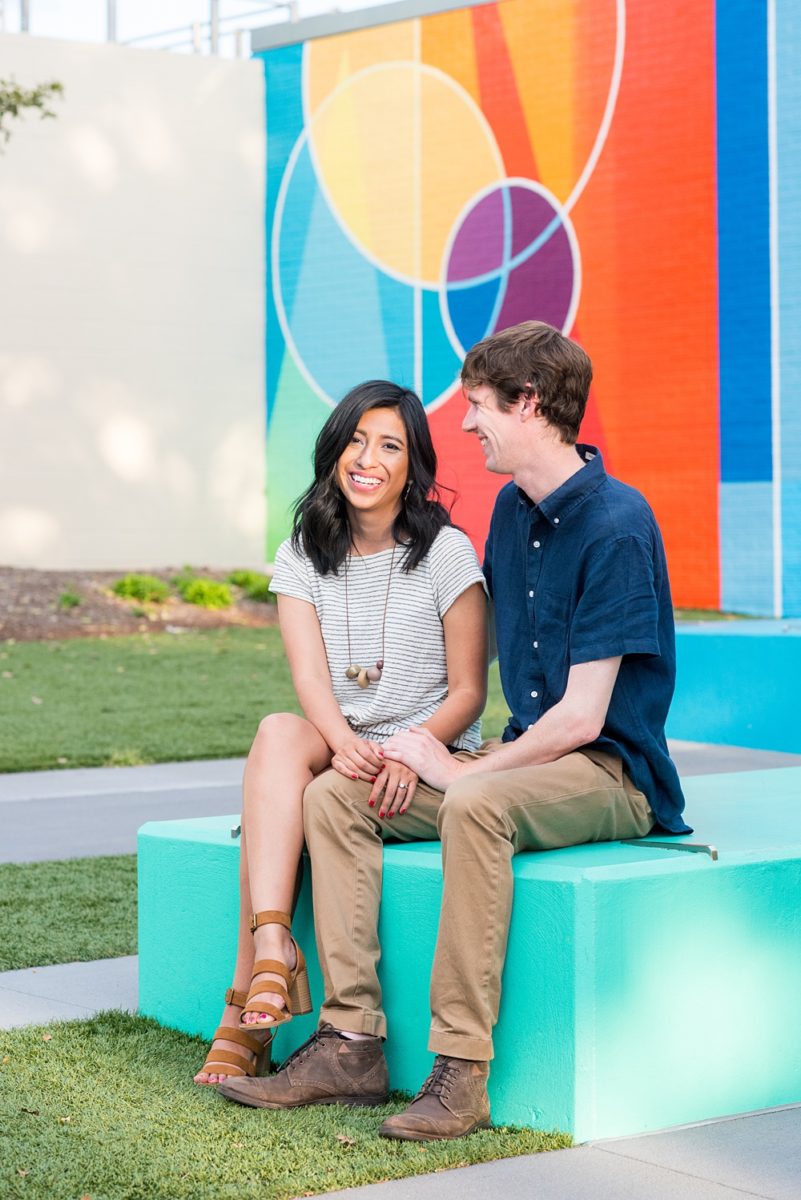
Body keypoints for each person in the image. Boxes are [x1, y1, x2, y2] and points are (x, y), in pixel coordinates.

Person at [218, 321, 690, 1141]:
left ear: (528, 404)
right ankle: (350, 1042)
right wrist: (424, 755)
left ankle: (460, 1071)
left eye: (477, 407)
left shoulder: (616, 524)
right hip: (522, 754)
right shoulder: (512, 510)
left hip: (609, 770)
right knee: (334, 799)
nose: (466, 425)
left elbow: (581, 719)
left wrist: (460, 767)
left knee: (477, 808)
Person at [195, 379, 487, 1086]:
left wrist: (415, 749)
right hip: (345, 741)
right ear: (334, 451)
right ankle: (273, 943)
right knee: (277, 731)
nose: (367, 458)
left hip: (427, 746)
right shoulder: (302, 552)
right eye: (355, 440)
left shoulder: (446, 552)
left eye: (388, 445)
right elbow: (310, 681)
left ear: (411, 465)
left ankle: (247, 1007)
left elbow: (471, 689)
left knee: (284, 805)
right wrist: (347, 743)